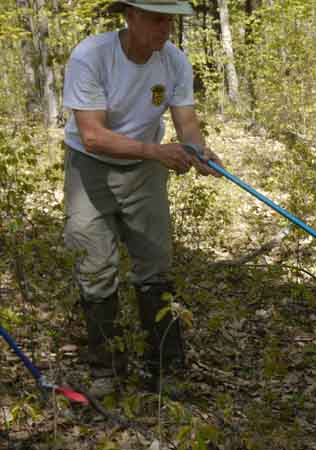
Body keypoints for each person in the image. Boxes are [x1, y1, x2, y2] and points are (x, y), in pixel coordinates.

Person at [62, 0, 223, 397]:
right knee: (95, 267)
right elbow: (93, 135)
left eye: (169, 20)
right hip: (90, 168)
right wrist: (159, 153)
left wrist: (199, 151)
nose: (165, 28)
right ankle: (106, 371)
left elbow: (186, 122)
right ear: (130, 16)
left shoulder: (173, 61)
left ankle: (166, 370)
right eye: (156, 18)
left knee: (156, 266)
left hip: (145, 171)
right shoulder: (91, 55)